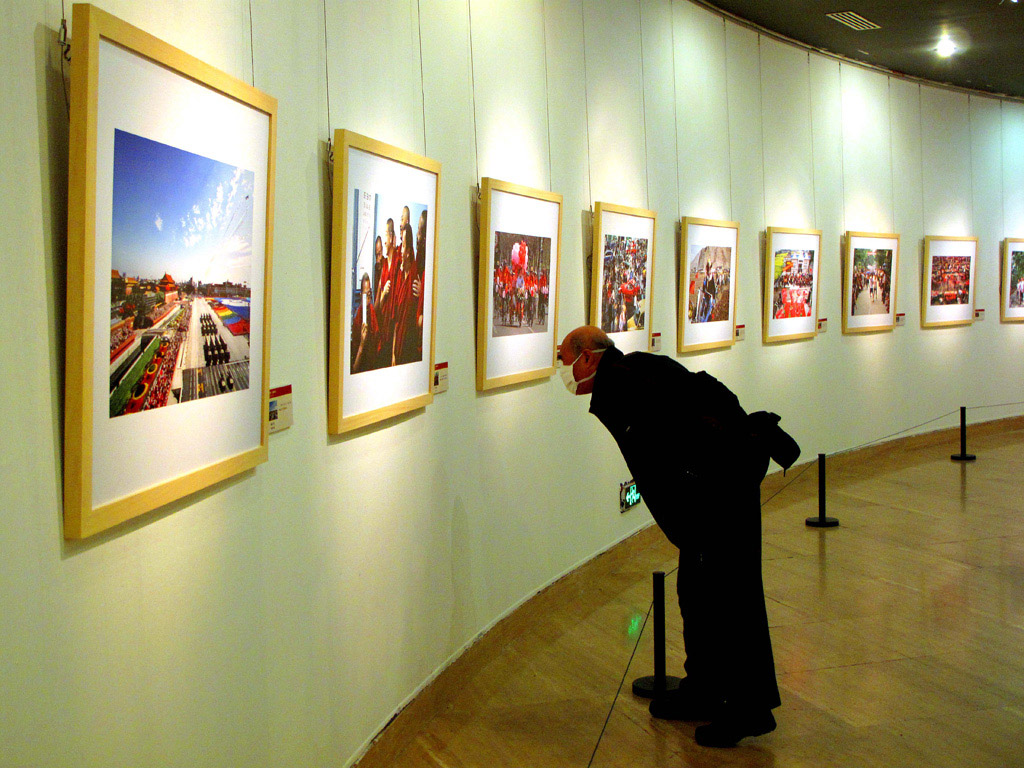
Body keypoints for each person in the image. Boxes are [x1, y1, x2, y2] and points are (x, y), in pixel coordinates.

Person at [557, 325, 798, 748]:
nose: (562, 370)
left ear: (588, 357)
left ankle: (746, 709)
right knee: (696, 593)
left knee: (730, 601)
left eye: (564, 360)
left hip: (719, 494)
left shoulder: (632, 381)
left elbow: (698, 419)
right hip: (708, 496)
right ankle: (704, 690)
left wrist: (701, 489)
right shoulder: (626, 376)